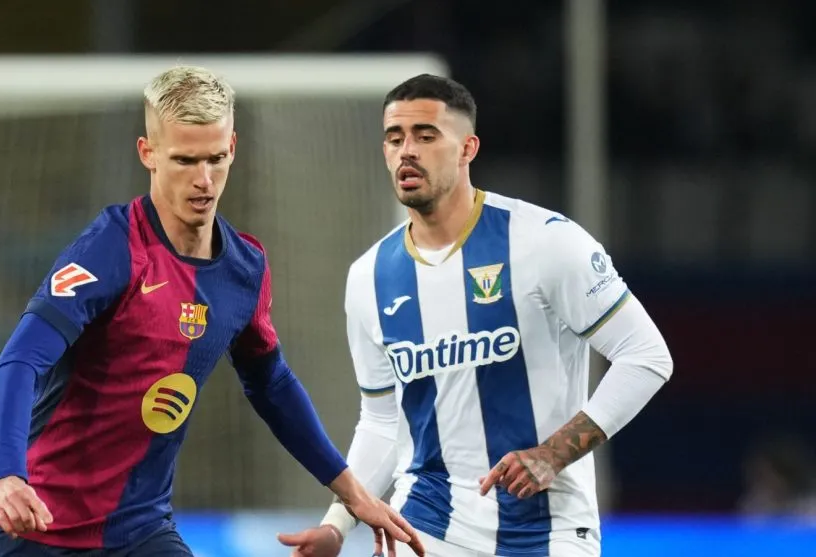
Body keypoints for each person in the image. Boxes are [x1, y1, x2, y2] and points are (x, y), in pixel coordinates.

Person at [0, 65, 423, 557]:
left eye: (216, 159)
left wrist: (353, 496)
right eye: (185, 160)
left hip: (139, 531)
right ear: (149, 153)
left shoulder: (244, 268)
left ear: (233, 149)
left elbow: (272, 384)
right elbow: (20, 361)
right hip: (35, 524)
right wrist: (9, 475)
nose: (204, 181)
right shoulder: (111, 249)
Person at [278, 74, 674, 557]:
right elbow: (382, 422)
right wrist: (337, 524)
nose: (406, 151)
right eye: (394, 138)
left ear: (467, 149)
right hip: (425, 526)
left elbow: (647, 356)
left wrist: (553, 454)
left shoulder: (545, 241)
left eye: (426, 136)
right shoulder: (369, 277)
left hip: (546, 531)